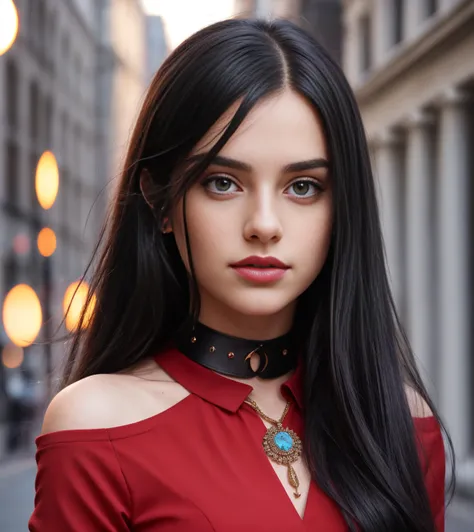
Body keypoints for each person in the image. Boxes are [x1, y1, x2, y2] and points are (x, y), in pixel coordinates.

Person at [28, 18, 453, 531]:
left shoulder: (401, 422)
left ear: (341, 208)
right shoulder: (97, 426)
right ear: (160, 201)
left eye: (303, 187)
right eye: (223, 182)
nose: (264, 226)